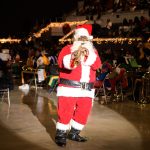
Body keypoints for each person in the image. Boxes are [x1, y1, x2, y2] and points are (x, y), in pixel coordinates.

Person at [55, 24, 102, 147]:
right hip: (69, 88)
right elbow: (63, 63)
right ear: (75, 38)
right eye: (80, 38)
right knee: (65, 111)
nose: (82, 41)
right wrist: (75, 55)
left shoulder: (93, 52)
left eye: (85, 39)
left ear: (89, 39)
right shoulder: (67, 49)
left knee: (84, 112)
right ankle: (61, 135)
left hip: (87, 89)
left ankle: (74, 133)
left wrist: (88, 54)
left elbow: (97, 65)